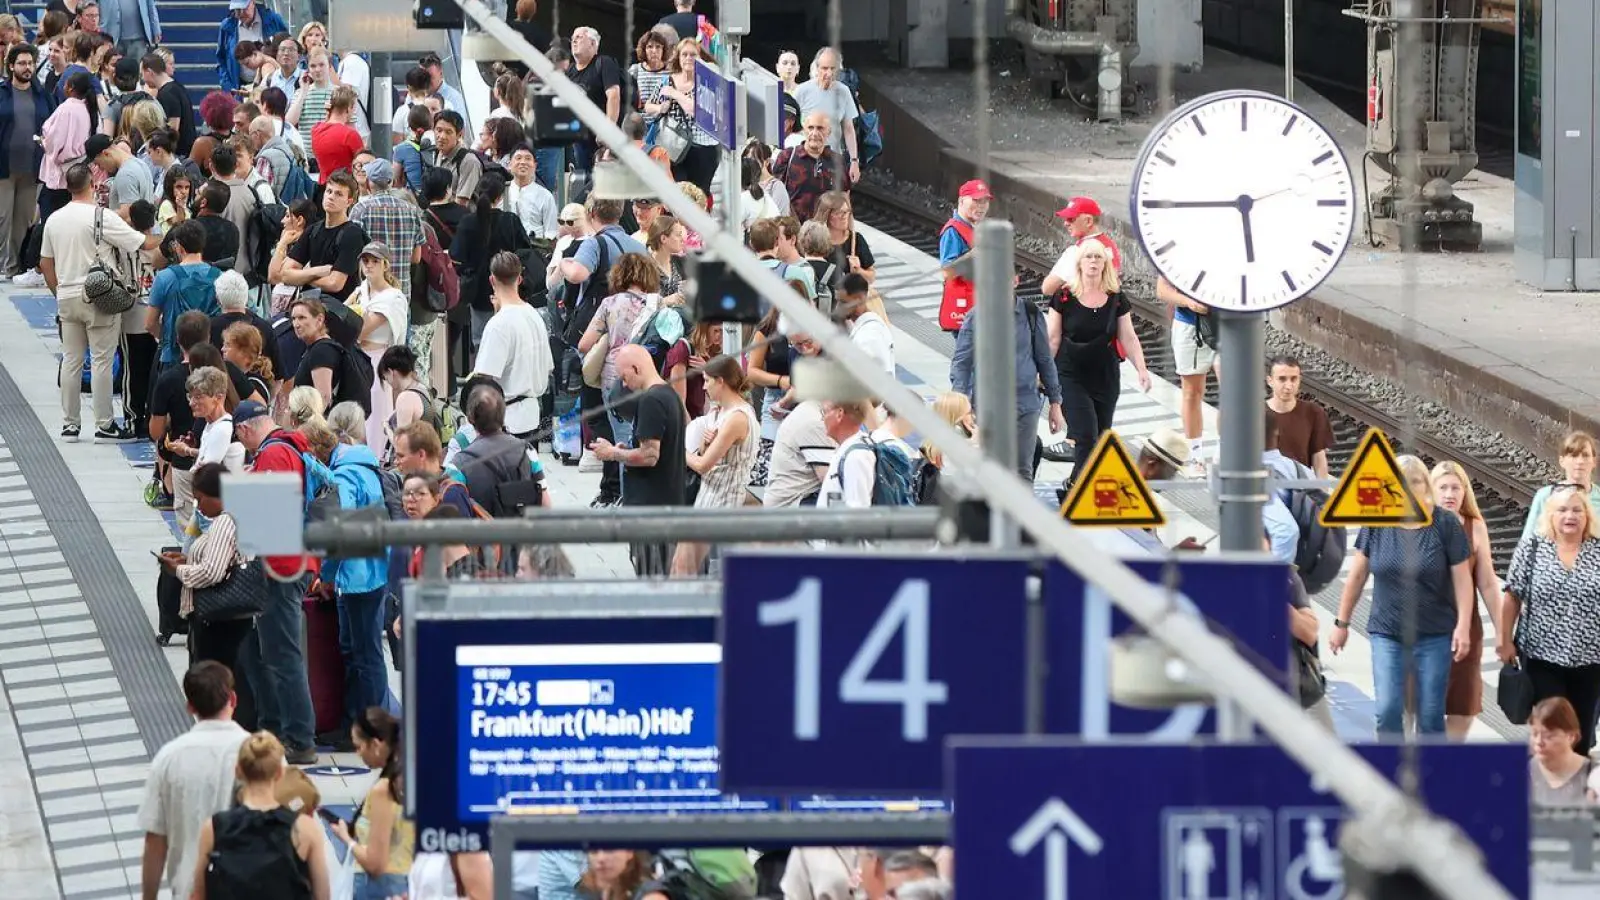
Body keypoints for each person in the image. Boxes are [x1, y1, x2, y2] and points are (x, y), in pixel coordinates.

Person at [1331, 455, 1474, 737]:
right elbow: (1357, 575)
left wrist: (1463, 626)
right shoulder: (1377, 522)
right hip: (1387, 632)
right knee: (1387, 710)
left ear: (1426, 485)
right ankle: (1389, 774)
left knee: (1431, 715)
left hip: (1434, 633)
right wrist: (1341, 624)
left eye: (1416, 481)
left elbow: (1462, 581)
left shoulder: (1445, 525)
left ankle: (1431, 775)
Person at [41, 161, 159, 442]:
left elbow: (46, 263)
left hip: (67, 295)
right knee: (102, 360)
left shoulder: (54, 219)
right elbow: (140, 243)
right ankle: (104, 423)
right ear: (93, 185)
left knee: (71, 360)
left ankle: (70, 423)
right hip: (99, 295)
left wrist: (58, 291)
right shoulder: (101, 217)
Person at [232, 400, 319, 764]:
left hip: (282, 567)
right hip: (298, 559)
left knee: (283, 656)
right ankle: (273, 726)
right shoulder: (292, 446)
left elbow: (266, 523)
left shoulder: (272, 456)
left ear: (243, 430)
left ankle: (300, 738)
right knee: (264, 651)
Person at [137, 661, 251, 900]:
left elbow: (155, 840)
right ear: (233, 699)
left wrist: (149, 897)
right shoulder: (260, 753)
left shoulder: (168, 758)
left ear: (190, 707)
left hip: (189, 889)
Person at [1500, 484, 1600, 754]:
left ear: (1587, 515)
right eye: (1562, 510)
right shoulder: (1532, 548)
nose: (1570, 516)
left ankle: (1573, 788)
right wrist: (1504, 640)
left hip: (1590, 659)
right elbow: (1512, 596)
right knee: (1552, 727)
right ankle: (1546, 786)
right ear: (1550, 515)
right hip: (1542, 656)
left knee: (1580, 733)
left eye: (1577, 510)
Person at [1044, 239, 1149, 489]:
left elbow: (1128, 336)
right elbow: (1052, 339)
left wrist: (1142, 369)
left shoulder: (1116, 298)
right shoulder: (1064, 296)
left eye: (1098, 257)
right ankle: (1078, 489)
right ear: (1079, 263)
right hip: (1070, 374)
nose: (1093, 261)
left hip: (1105, 375)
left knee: (1101, 439)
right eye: (1088, 257)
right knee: (1086, 436)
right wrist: (1044, 375)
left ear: (1105, 264)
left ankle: (1075, 482)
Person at [191, 730, 333, 898]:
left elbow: (198, 894)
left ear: (238, 771)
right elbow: (322, 895)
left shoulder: (214, 828)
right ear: (280, 773)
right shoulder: (305, 829)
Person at [588, 345, 686, 575]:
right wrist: (625, 451)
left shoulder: (651, 400)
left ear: (636, 368)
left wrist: (613, 453)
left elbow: (650, 455)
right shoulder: (668, 394)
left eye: (624, 377)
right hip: (666, 505)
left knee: (653, 577)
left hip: (652, 512)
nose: (623, 385)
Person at [950, 292, 1065, 479]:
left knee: (1022, 469)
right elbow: (962, 363)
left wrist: (1055, 402)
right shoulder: (976, 317)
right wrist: (961, 404)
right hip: (989, 407)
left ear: (1015, 281)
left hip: (1026, 405)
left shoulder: (1031, 313)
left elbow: (1044, 359)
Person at [671, 355, 757, 575]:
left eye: (707, 381)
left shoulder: (738, 417)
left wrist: (678, 451)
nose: (704, 386)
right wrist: (704, 444)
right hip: (710, 496)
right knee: (682, 565)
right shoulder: (719, 412)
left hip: (721, 500)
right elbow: (705, 456)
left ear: (721, 381)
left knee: (683, 566)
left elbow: (702, 465)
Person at [331, 707, 414, 898]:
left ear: (375, 744)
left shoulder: (383, 791)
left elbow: (375, 864)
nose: (358, 754)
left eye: (359, 746)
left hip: (378, 889)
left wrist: (346, 838)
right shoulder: (407, 781)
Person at [473, 250, 551, 442]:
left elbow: (485, 377)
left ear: (492, 280)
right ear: (520, 279)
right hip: (531, 415)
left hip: (507, 419)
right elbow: (548, 366)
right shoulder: (534, 315)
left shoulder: (499, 324)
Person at [0, 44, 53, 281]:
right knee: (2, 218)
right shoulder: (1, 93)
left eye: (30, 63)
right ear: (11, 66)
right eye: (22, 63)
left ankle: (16, 266)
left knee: (22, 220)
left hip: (33, 167)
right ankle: (4, 265)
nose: (27, 67)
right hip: (4, 166)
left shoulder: (43, 95)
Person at [283, 168, 367, 304]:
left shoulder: (352, 234)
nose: (331, 197)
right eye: (329, 191)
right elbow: (285, 275)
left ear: (349, 201)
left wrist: (302, 276)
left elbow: (335, 283)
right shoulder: (312, 230)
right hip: (309, 308)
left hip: (338, 311)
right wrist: (318, 271)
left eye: (339, 194)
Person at [148, 219, 223, 368]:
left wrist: (165, 339)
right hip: (210, 356)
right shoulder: (219, 276)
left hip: (173, 355)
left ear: (178, 247)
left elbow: (149, 323)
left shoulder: (165, 277)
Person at [794, 47, 860, 183]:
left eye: (833, 68)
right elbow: (790, 125)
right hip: (805, 159)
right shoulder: (802, 91)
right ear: (817, 68)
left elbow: (848, 129)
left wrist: (854, 161)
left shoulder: (844, 92)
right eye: (824, 68)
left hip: (833, 160)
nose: (828, 73)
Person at [937, 179, 989, 334]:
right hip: (965, 309)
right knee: (969, 357)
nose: (981, 206)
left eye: (985, 201)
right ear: (961, 201)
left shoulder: (976, 227)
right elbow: (947, 271)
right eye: (976, 201)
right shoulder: (953, 232)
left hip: (978, 306)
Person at [216, 0, 286, 94]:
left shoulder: (273, 20)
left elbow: (287, 47)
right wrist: (227, 85)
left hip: (270, 86)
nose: (240, 14)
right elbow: (221, 59)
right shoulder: (227, 26)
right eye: (236, 9)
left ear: (253, 3)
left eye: (243, 8)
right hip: (239, 88)